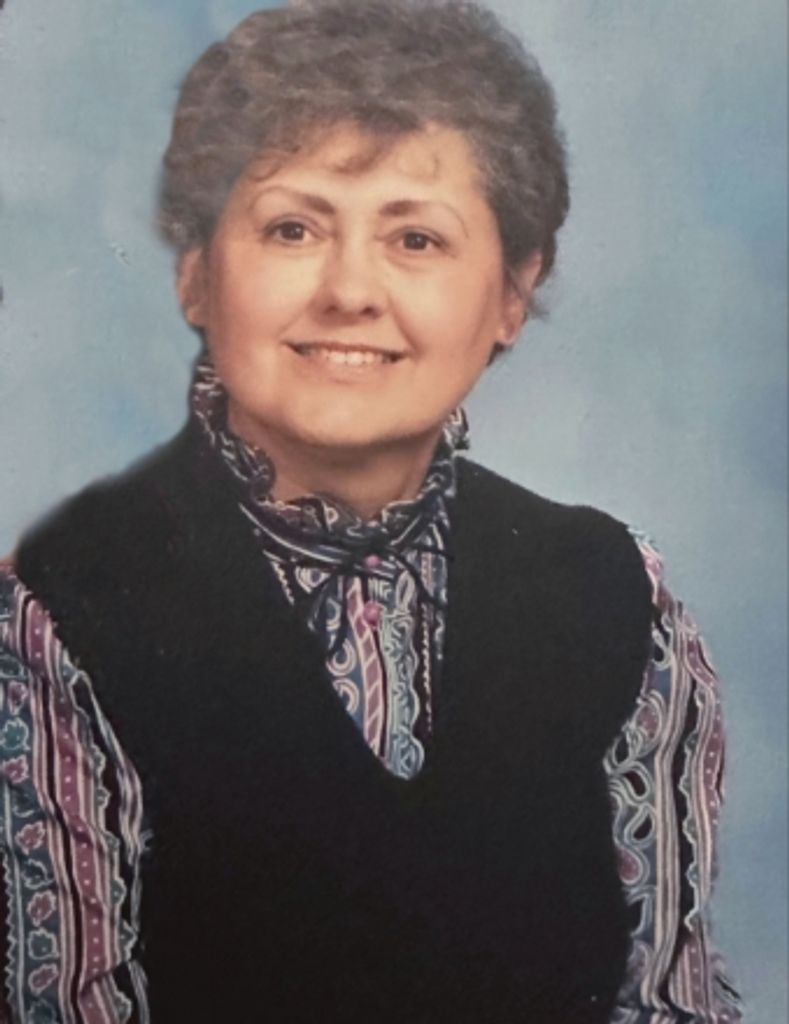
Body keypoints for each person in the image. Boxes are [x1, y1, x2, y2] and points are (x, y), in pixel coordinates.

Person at [0, 1, 741, 1021]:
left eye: (416, 238)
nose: (351, 289)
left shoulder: (617, 598)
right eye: (293, 228)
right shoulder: (55, 613)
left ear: (512, 294)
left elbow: (667, 998)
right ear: (196, 272)